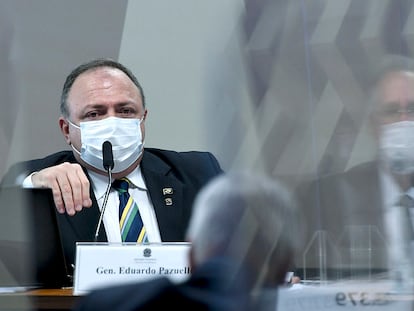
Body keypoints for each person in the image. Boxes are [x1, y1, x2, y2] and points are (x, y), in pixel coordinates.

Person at [0, 58, 223, 279]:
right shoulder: (40, 179)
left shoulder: (197, 171)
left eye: (125, 111)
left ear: (143, 119)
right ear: (66, 129)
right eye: (94, 114)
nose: (112, 123)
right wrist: (30, 189)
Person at [72, 171, 302, 311]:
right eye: (95, 113)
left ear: (190, 255)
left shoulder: (108, 305)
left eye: (124, 110)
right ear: (285, 265)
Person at [294, 54, 414, 283]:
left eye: (413, 108)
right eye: (391, 111)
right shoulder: (328, 200)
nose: (404, 120)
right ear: (373, 124)